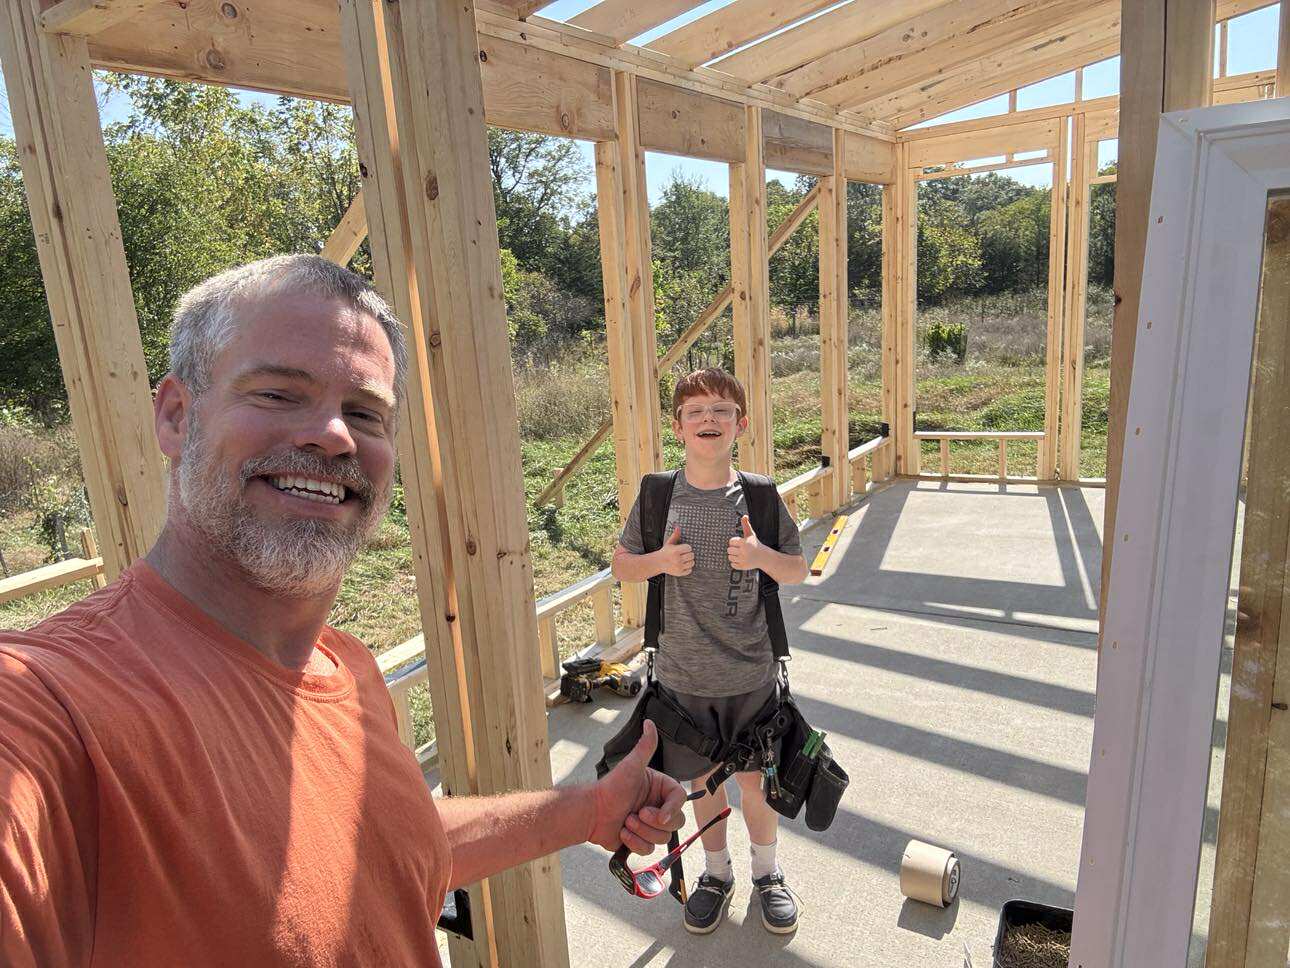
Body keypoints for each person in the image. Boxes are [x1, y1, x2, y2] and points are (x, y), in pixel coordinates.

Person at [0, 255, 687, 967]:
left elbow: (383, 851)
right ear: (176, 416)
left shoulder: (345, 666)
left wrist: (589, 812)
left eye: (365, 413)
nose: (332, 433)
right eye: (277, 393)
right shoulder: (55, 707)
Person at [611, 368, 810, 936]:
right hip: (682, 675)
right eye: (695, 411)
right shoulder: (656, 496)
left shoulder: (762, 497)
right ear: (678, 427)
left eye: (722, 410)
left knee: (756, 782)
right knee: (701, 781)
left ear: (740, 424)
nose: (709, 419)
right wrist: (659, 564)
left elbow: (796, 568)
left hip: (751, 670)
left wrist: (759, 555)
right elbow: (622, 564)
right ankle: (715, 874)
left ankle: (766, 874)